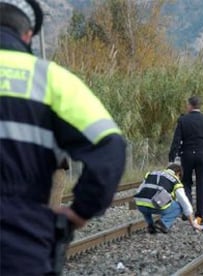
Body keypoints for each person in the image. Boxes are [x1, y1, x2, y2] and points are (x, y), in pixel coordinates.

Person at [0, 1, 126, 275]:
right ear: (26, 35)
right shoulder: (51, 79)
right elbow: (110, 146)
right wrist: (80, 211)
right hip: (21, 241)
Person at [169, 96, 203, 224]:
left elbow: (176, 140)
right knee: (202, 185)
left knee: (186, 183)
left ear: (190, 106)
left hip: (187, 155)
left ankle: (186, 211)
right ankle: (200, 216)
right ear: (199, 106)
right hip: (202, 155)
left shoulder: (183, 120)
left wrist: (171, 156)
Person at [135, 164, 201, 233]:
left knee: (145, 201)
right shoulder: (175, 180)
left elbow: (139, 191)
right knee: (179, 206)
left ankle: (150, 225)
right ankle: (163, 224)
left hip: (140, 204)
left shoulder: (151, 174)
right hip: (155, 205)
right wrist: (192, 223)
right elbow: (184, 202)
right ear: (178, 173)